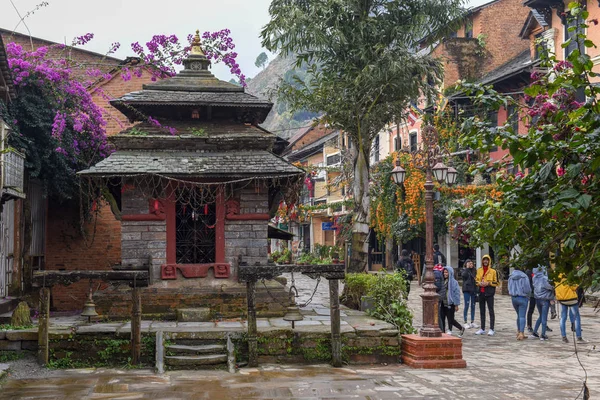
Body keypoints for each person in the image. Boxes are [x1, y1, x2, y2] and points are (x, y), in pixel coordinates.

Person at [555, 275, 585, 343]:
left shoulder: (556, 277)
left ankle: (564, 336)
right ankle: (579, 337)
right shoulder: (568, 277)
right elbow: (574, 287)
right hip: (572, 299)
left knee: (563, 318)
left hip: (562, 299)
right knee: (577, 318)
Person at [437, 266, 464, 337]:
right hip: (443, 302)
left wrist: (456, 304)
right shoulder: (442, 281)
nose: (445, 274)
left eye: (446, 272)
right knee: (442, 317)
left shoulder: (454, 282)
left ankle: (458, 328)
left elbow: (456, 294)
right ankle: (442, 331)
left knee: (450, 319)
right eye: (444, 272)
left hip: (450, 303)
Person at [475, 255, 498, 336]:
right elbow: (476, 280)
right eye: (484, 260)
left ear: (489, 261)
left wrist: (488, 283)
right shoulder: (479, 270)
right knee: (482, 311)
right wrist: (479, 283)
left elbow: (497, 282)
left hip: (489, 293)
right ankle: (482, 328)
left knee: (491, 310)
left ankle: (492, 328)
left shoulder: (493, 271)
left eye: (487, 260)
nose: (485, 261)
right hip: (481, 292)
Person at [530, 266, 555, 341]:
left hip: (537, 298)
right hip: (545, 299)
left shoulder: (534, 278)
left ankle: (535, 332)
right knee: (544, 317)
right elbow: (550, 287)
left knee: (541, 316)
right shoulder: (544, 279)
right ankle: (543, 334)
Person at [508, 268, 532, 340]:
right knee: (522, 316)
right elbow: (527, 289)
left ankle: (518, 332)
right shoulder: (524, 276)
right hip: (522, 297)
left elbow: (508, 288)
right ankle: (521, 333)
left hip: (514, 298)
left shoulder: (511, 276)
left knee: (518, 315)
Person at [461, 259, 478, 329]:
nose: (470, 265)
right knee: (466, 305)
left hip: (473, 290)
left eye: (471, 263)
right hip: (467, 290)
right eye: (469, 263)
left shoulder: (475, 271)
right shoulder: (464, 270)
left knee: (473, 306)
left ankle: (472, 321)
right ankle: (465, 321)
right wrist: (467, 268)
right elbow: (463, 276)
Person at [525, 268, 536, 334]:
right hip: (533, 294)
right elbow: (529, 283)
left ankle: (544, 325)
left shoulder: (539, 269)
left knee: (543, 311)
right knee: (531, 310)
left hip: (539, 293)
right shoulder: (528, 271)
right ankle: (529, 325)